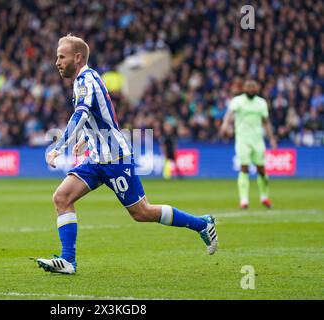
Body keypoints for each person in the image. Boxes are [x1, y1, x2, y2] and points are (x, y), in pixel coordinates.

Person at [34, 35, 218, 275]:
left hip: (115, 159)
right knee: (62, 198)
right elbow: (100, 116)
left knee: (142, 213)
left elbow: (80, 114)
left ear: (77, 57)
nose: (56, 61)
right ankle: (68, 260)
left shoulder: (85, 80)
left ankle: (202, 223)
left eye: (61, 56)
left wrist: (59, 146)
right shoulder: (85, 79)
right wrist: (85, 140)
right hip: (97, 158)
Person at [220, 79, 277, 209]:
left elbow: (266, 122)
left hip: (258, 140)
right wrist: (225, 124)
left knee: (261, 169)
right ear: (244, 88)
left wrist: (272, 138)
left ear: (257, 88)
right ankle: (244, 200)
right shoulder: (238, 101)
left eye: (253, 87)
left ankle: (264, 197)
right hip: (242, 139)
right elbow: (229, 114)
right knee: (244, 167)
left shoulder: (261, 103)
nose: (251, 89)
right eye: (248, 86)